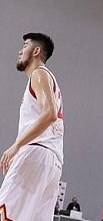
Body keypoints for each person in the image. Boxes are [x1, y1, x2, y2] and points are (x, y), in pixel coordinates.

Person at [0, 33, 64, 221]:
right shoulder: (49, 79)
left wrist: (17, 145)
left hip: (36, 154)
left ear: (36, 51)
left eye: (25, 45)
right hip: (53, 163)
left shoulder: (39, 74)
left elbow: (49, 114)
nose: (20, 50)